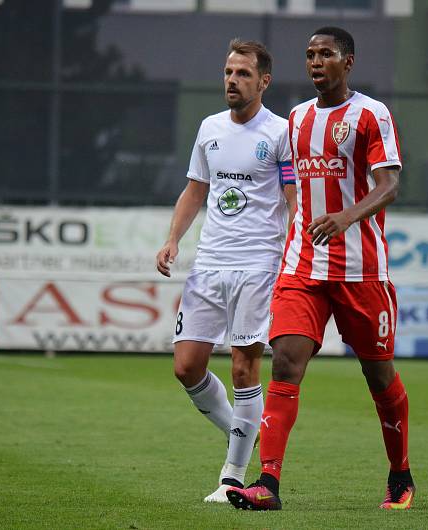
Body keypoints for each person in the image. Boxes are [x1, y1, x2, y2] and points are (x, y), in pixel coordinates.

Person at [226, 27, 415, 511]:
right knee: (286, 361)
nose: (315, 62)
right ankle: (267, 483)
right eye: (309, 55)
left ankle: (400, 474)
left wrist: (346, 217)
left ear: (347, 62)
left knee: (380, 378)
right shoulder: (297, 118)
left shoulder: (372, 114)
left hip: (360, 270)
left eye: (325, 54)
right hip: (303, 265)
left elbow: (389, 185)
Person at [156, 39, 296, 503]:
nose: (232, 80)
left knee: (243, 367)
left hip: (258, 264)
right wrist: (173, 238)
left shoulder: (280, 133)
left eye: (242, 73)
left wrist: (293, 251)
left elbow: (295, 201)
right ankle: (244, 430)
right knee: (186, 365)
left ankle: (232, 476)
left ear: (263, 81)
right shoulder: (209, 128)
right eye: (228, 72)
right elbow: (195, 189)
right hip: (209, 265)